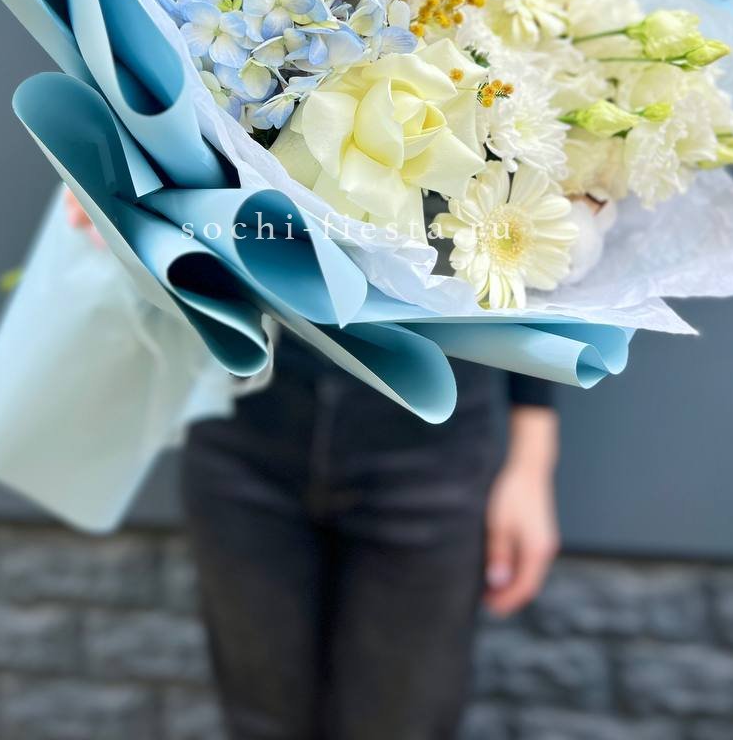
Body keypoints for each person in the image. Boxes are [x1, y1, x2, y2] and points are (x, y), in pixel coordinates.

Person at [66, 193, 560, 739]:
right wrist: (112, 184)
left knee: (403, 725)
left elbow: (535, 212)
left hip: (432, 439)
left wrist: (532, 458)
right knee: (261, 721)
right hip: (243, 421)